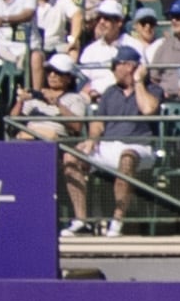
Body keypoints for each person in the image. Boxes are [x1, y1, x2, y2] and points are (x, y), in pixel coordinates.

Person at [61, 46, 162, 237]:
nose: (114, 70)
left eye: (117, 65)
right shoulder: (110, 92)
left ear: (130, 66)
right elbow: (99, 123)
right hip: (108, 146)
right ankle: (81, 221)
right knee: (70, 157)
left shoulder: (152, 90)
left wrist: (138, 81)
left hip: (140, 148)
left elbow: (148, 109)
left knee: (127, 158)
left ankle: (117, 222)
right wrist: (92, 139)